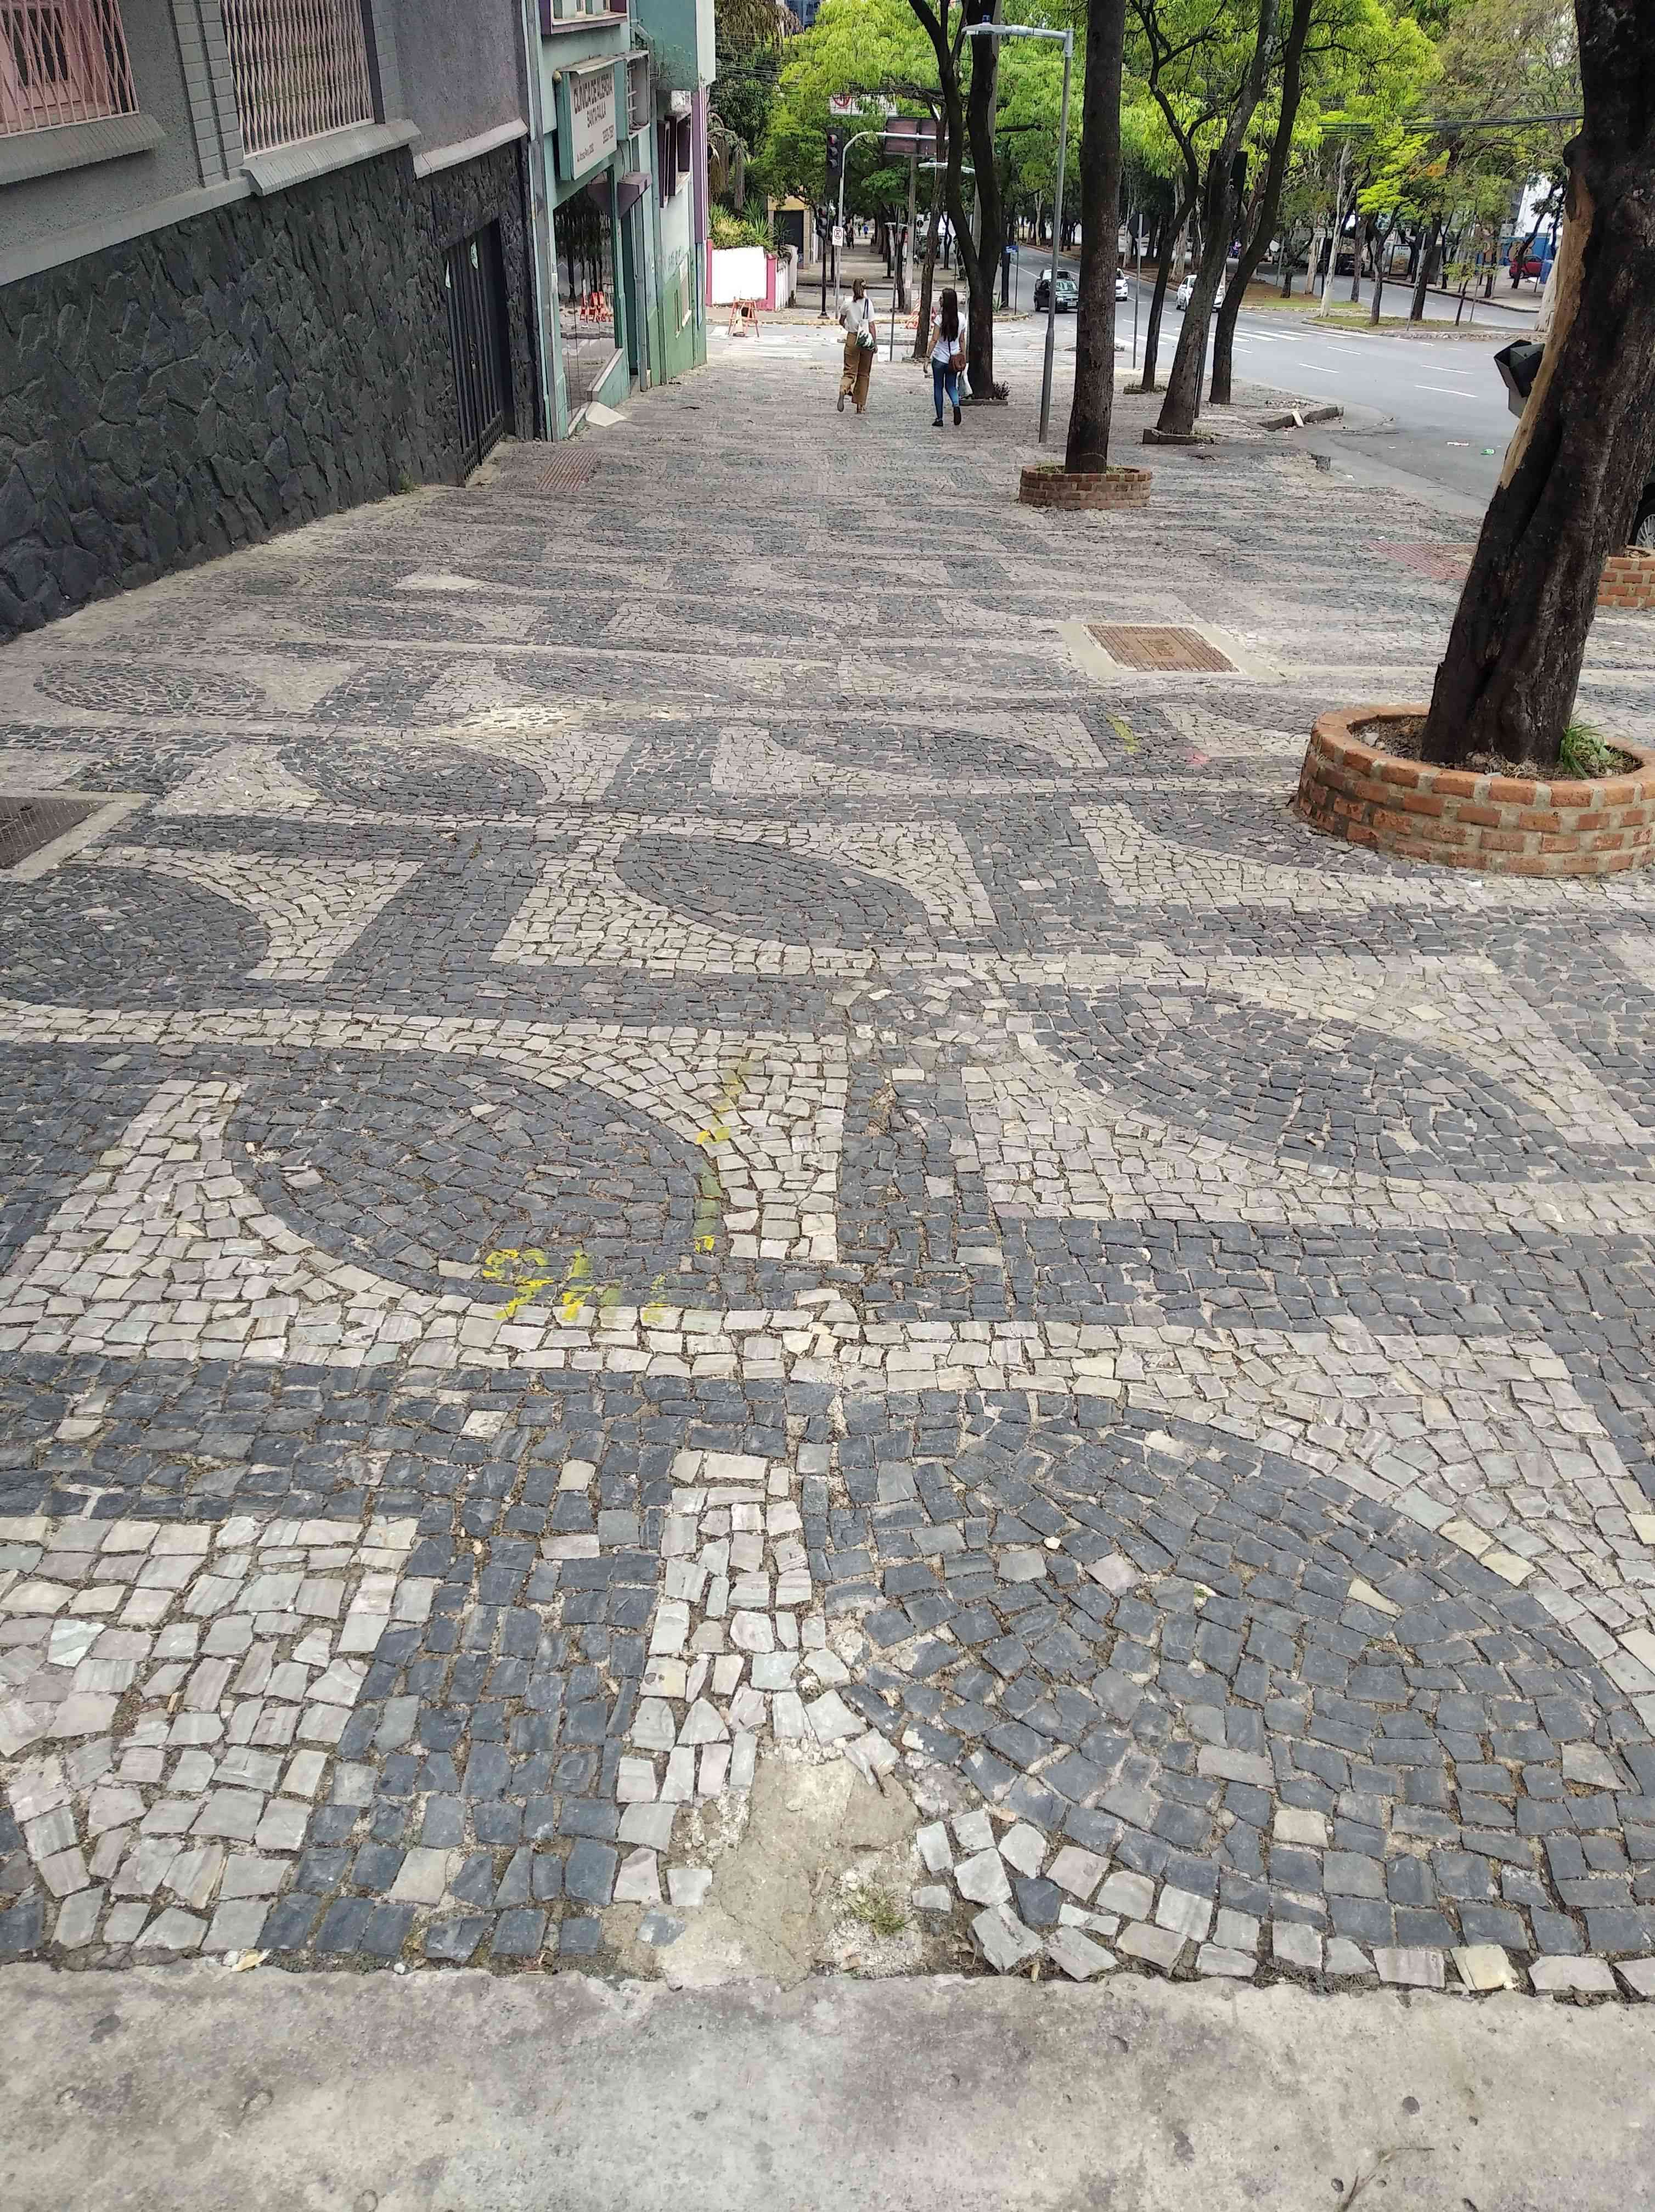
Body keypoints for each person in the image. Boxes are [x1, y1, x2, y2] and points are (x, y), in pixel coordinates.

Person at [837, 278, 876, 415]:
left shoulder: (847, 303)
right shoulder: (868, 303)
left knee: (849, 371)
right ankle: (860, 405)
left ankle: (844, 388)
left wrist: (848, 327)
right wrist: (875, 343)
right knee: (864, 373)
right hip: (865, 339)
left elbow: (841, 321)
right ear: (865, 289)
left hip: (852, 338)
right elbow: (871, 325)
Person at [929, 286, 964, 427]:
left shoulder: (939, 319)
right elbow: (962, 340)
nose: (940, 300)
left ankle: (939, 419)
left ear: (946, 301)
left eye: (942, 298)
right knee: (951, 386)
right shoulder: (961, 318)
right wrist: (963, 356)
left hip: (939, 359)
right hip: (953, 359)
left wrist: (927, 356)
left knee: (938, 387)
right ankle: (956, 405)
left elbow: (934, 340)